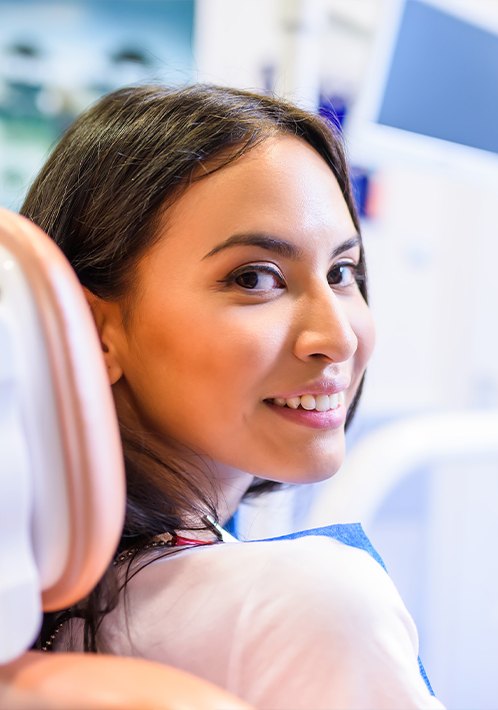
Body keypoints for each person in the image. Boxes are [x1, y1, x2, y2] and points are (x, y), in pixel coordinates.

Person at [21, 84, 444, 709]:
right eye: (255, 278)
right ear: (90, 328)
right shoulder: (307, 607)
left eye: (341, 274)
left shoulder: (49, 612)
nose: (335, 337)